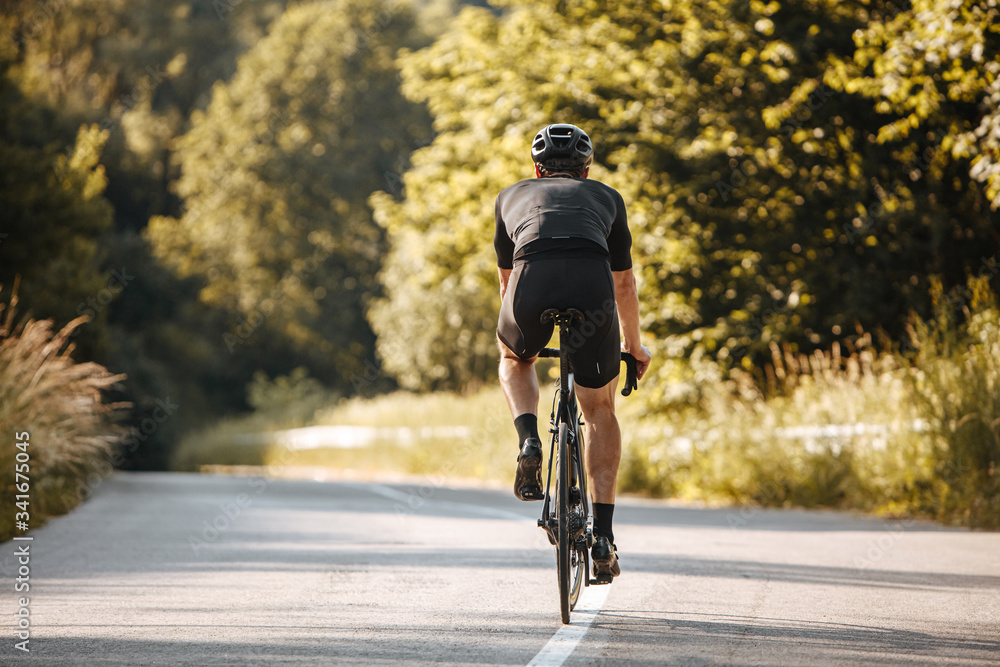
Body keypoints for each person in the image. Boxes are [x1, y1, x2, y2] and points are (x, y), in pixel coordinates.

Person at [494, 123, 651, 580]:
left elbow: (507, 282)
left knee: (513, 358)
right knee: (600, 410)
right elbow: (624, 281)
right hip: (591, 287)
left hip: (531, 283)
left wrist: (521, 335)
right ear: (586, 169)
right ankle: (602, 535)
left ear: (536, 168)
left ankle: (529, 440)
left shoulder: (509, 197)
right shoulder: (608, 197)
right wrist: (633, 345)